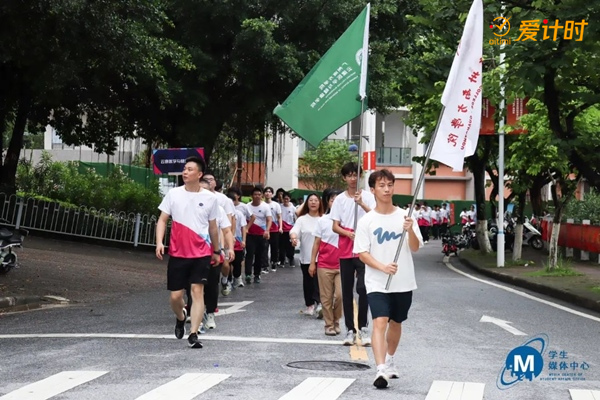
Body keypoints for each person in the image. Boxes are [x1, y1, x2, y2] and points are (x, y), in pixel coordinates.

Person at [353, 169, 423, 389]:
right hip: (376, 282)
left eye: (390, 185)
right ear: (372, 190)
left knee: (396, 322)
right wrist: (382, 267)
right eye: (381, 185)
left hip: (403, 281)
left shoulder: (406, 216)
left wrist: (410, 230)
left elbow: (415, 247)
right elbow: (362, 253)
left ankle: (390, 357)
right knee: (379, 321)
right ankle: (380, 369)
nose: (386, 189)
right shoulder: (367, 221)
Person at [155, 156, 222, 349]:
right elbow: (162, 220)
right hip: (178, 253)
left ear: (199, 174)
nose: (185, 172)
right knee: (176, 297)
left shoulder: (210, 198)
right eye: (184, 169)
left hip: (201, 252)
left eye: (190, 169)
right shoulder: (173, 194)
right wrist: (159, 242)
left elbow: (213, 228)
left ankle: (193, 333)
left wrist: (216, 251)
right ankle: (180, 316)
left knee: (197, 291)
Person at [330, 162, 376, 346]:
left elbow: (375, 217)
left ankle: (363, 327)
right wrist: (347, 233)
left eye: (355, 175)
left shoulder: (368, 196)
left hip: (364, 246)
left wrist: (362, 203)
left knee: (363, 289)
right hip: (346, 246)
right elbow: (335, 225)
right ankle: (350, 329)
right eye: (349, 175)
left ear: (360, 176)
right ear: (344, 178)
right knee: (347, 290)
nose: (352, 178)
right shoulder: (340, 199)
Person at [199, 178, 235, 330]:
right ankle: (197, 317)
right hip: (194, 253)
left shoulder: (219, 210)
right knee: (194, 285)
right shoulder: (189, 207)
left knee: (212, 285)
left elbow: (226, 230)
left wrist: (230, 248)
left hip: (214, 252)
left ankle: (210, 313)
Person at [309, 189, 343, 336]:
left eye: (337, 200)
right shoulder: (322, 221)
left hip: (343, 264)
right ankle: (329, 325)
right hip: (324, 264)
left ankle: (337, 321)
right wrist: (312, 263)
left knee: (340, 296)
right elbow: (316, 243)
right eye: (332, 200)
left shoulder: (348, 221)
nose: (334, 203)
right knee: (326, 297)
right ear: (328, 202)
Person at [290, 193, 324, 316]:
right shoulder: (302, 219)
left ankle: (320, 304)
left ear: (320, 203)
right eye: (311, 200)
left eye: (316, 200)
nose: (313, 202)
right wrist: (294, 239)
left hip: (322, 257)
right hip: (306, 257)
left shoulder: (324, 219)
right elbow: (294, 231)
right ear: (306, 203)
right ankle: (309, 305)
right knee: (308, 282)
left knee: (320, 282)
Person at [245, 186, 272, 284]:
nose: (257, 196)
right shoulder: (247, 206)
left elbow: (269, 220)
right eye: (255, 194)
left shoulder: (265, 206)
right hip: (250, 234)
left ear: (262, 196)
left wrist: (267, 231)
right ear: (251, 196)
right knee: (249, 254)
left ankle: (257, 274)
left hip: (261, 235)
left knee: (259, 255)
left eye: (259, 195)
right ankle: (248, 274)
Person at [227, 191, 251, 288]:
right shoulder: (223, 213)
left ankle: (237, 277)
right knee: (227, 262)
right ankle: (228, 280)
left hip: (238, 241)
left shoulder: (239, 214)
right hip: (227, 242)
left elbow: (243, 228)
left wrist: (243, 240)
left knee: (237, 262)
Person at [264, 187, 282, 272]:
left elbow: (279, 217)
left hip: (274, 229)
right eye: (266, 192)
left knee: (274, 247)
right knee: (264, 247)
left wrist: (280, 227)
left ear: (272, 194)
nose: (268, 193)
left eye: (269, 192)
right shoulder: (262, 204)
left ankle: (274, 262)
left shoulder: (276, 205)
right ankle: (265, 265)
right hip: (264, 229)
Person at [279, 192, 297, 267]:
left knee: (290, 246)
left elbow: (295, 219)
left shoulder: (293, 208)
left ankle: (291, 259)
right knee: (281, 246)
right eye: (284, 198)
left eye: (287, 198)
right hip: (282, 229)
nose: (286, 200)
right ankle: (282, 260)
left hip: (290, 229)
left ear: (289, 199)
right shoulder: (279, 207)